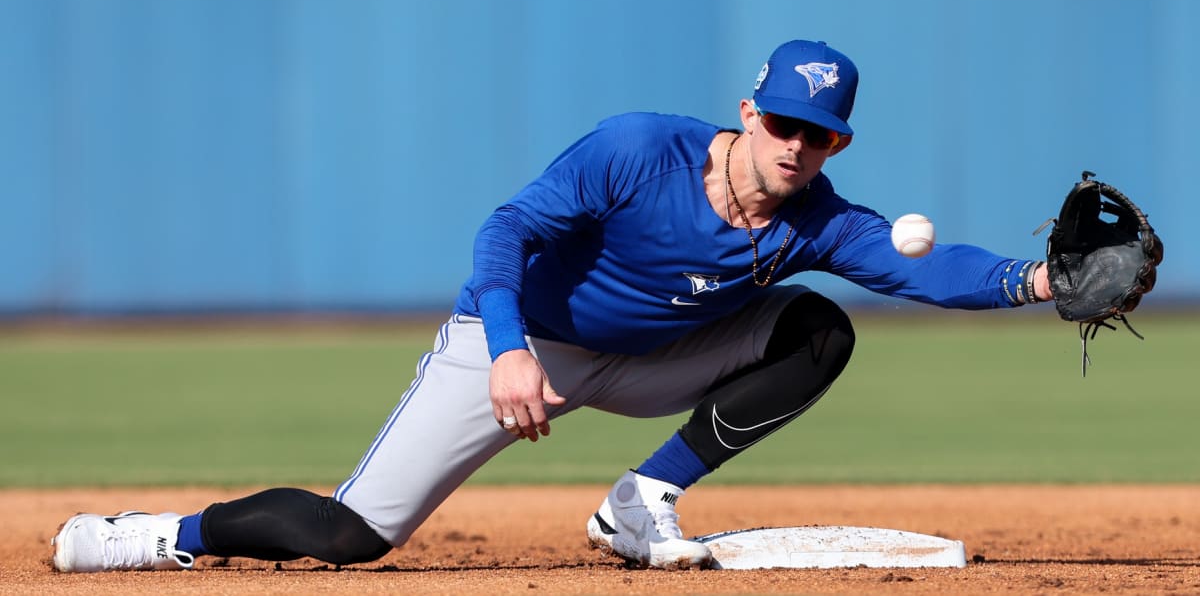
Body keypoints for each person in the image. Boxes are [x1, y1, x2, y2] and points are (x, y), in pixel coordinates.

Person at [51, 39, 1053, 572]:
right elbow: (505, 232)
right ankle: (157, 534)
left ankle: (642, 500)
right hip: (521, 345)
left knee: (819, 329)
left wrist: (1042, 281)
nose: (797, 145)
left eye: (821, 134)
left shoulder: (817, 216)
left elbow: (927, 270)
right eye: (784, 122)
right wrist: (503, 348)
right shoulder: (637, 151)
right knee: (349, 535)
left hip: (659, 362)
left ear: (837, 144)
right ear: (750, 114)